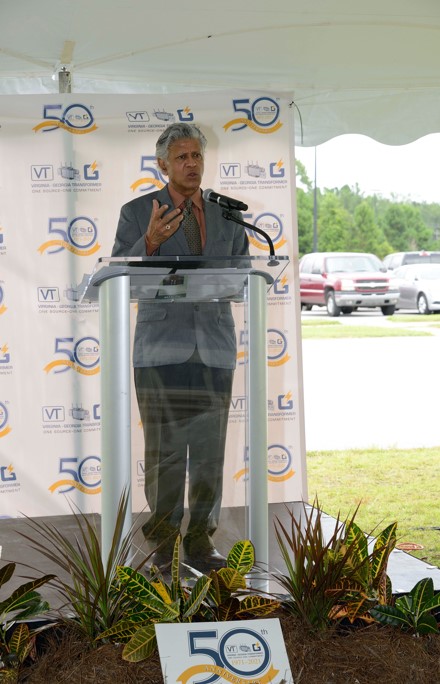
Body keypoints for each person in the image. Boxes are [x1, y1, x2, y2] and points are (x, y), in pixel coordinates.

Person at [111, 122, 249, 571]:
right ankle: (165, 543)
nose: (192, 164)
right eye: (183, 157)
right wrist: (148, 243)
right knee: (165, 454)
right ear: (163, 164)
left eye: (198, 157)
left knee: (209, 453)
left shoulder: (228, 214)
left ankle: (200, 542)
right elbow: (119, 276)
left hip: (214, 348)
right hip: (160, 350)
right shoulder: (137, 211)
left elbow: (245, 274)